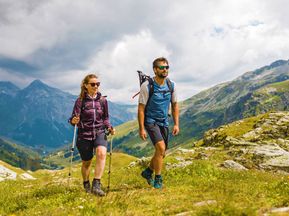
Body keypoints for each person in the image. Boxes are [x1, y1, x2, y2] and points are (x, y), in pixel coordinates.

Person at [70, 74, 115, 196]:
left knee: (101, 153)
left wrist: (109, 127)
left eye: (98, 84)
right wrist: (73, 120)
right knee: (87, 162)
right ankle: (86, 183)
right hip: (84, 135)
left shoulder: (103, 101)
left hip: (100, 132)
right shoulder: (80, 101)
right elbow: (73, 119)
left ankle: (97, 184)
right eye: (93, 84)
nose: (96, 86)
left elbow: (105, 118)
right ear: (85, 85)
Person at [138, 57, 179, 189]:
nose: (165, 70)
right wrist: (141, 128)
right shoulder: (147, 86)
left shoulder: (171, 85)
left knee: (162, 152)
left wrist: (176, 124)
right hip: (150, 121)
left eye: (167, 67)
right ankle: (158, 179)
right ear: (155, 70)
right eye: (162, 67)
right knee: (161, 148)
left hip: (164, 121)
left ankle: (148, 172)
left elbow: (175, 105)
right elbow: (141, 108)